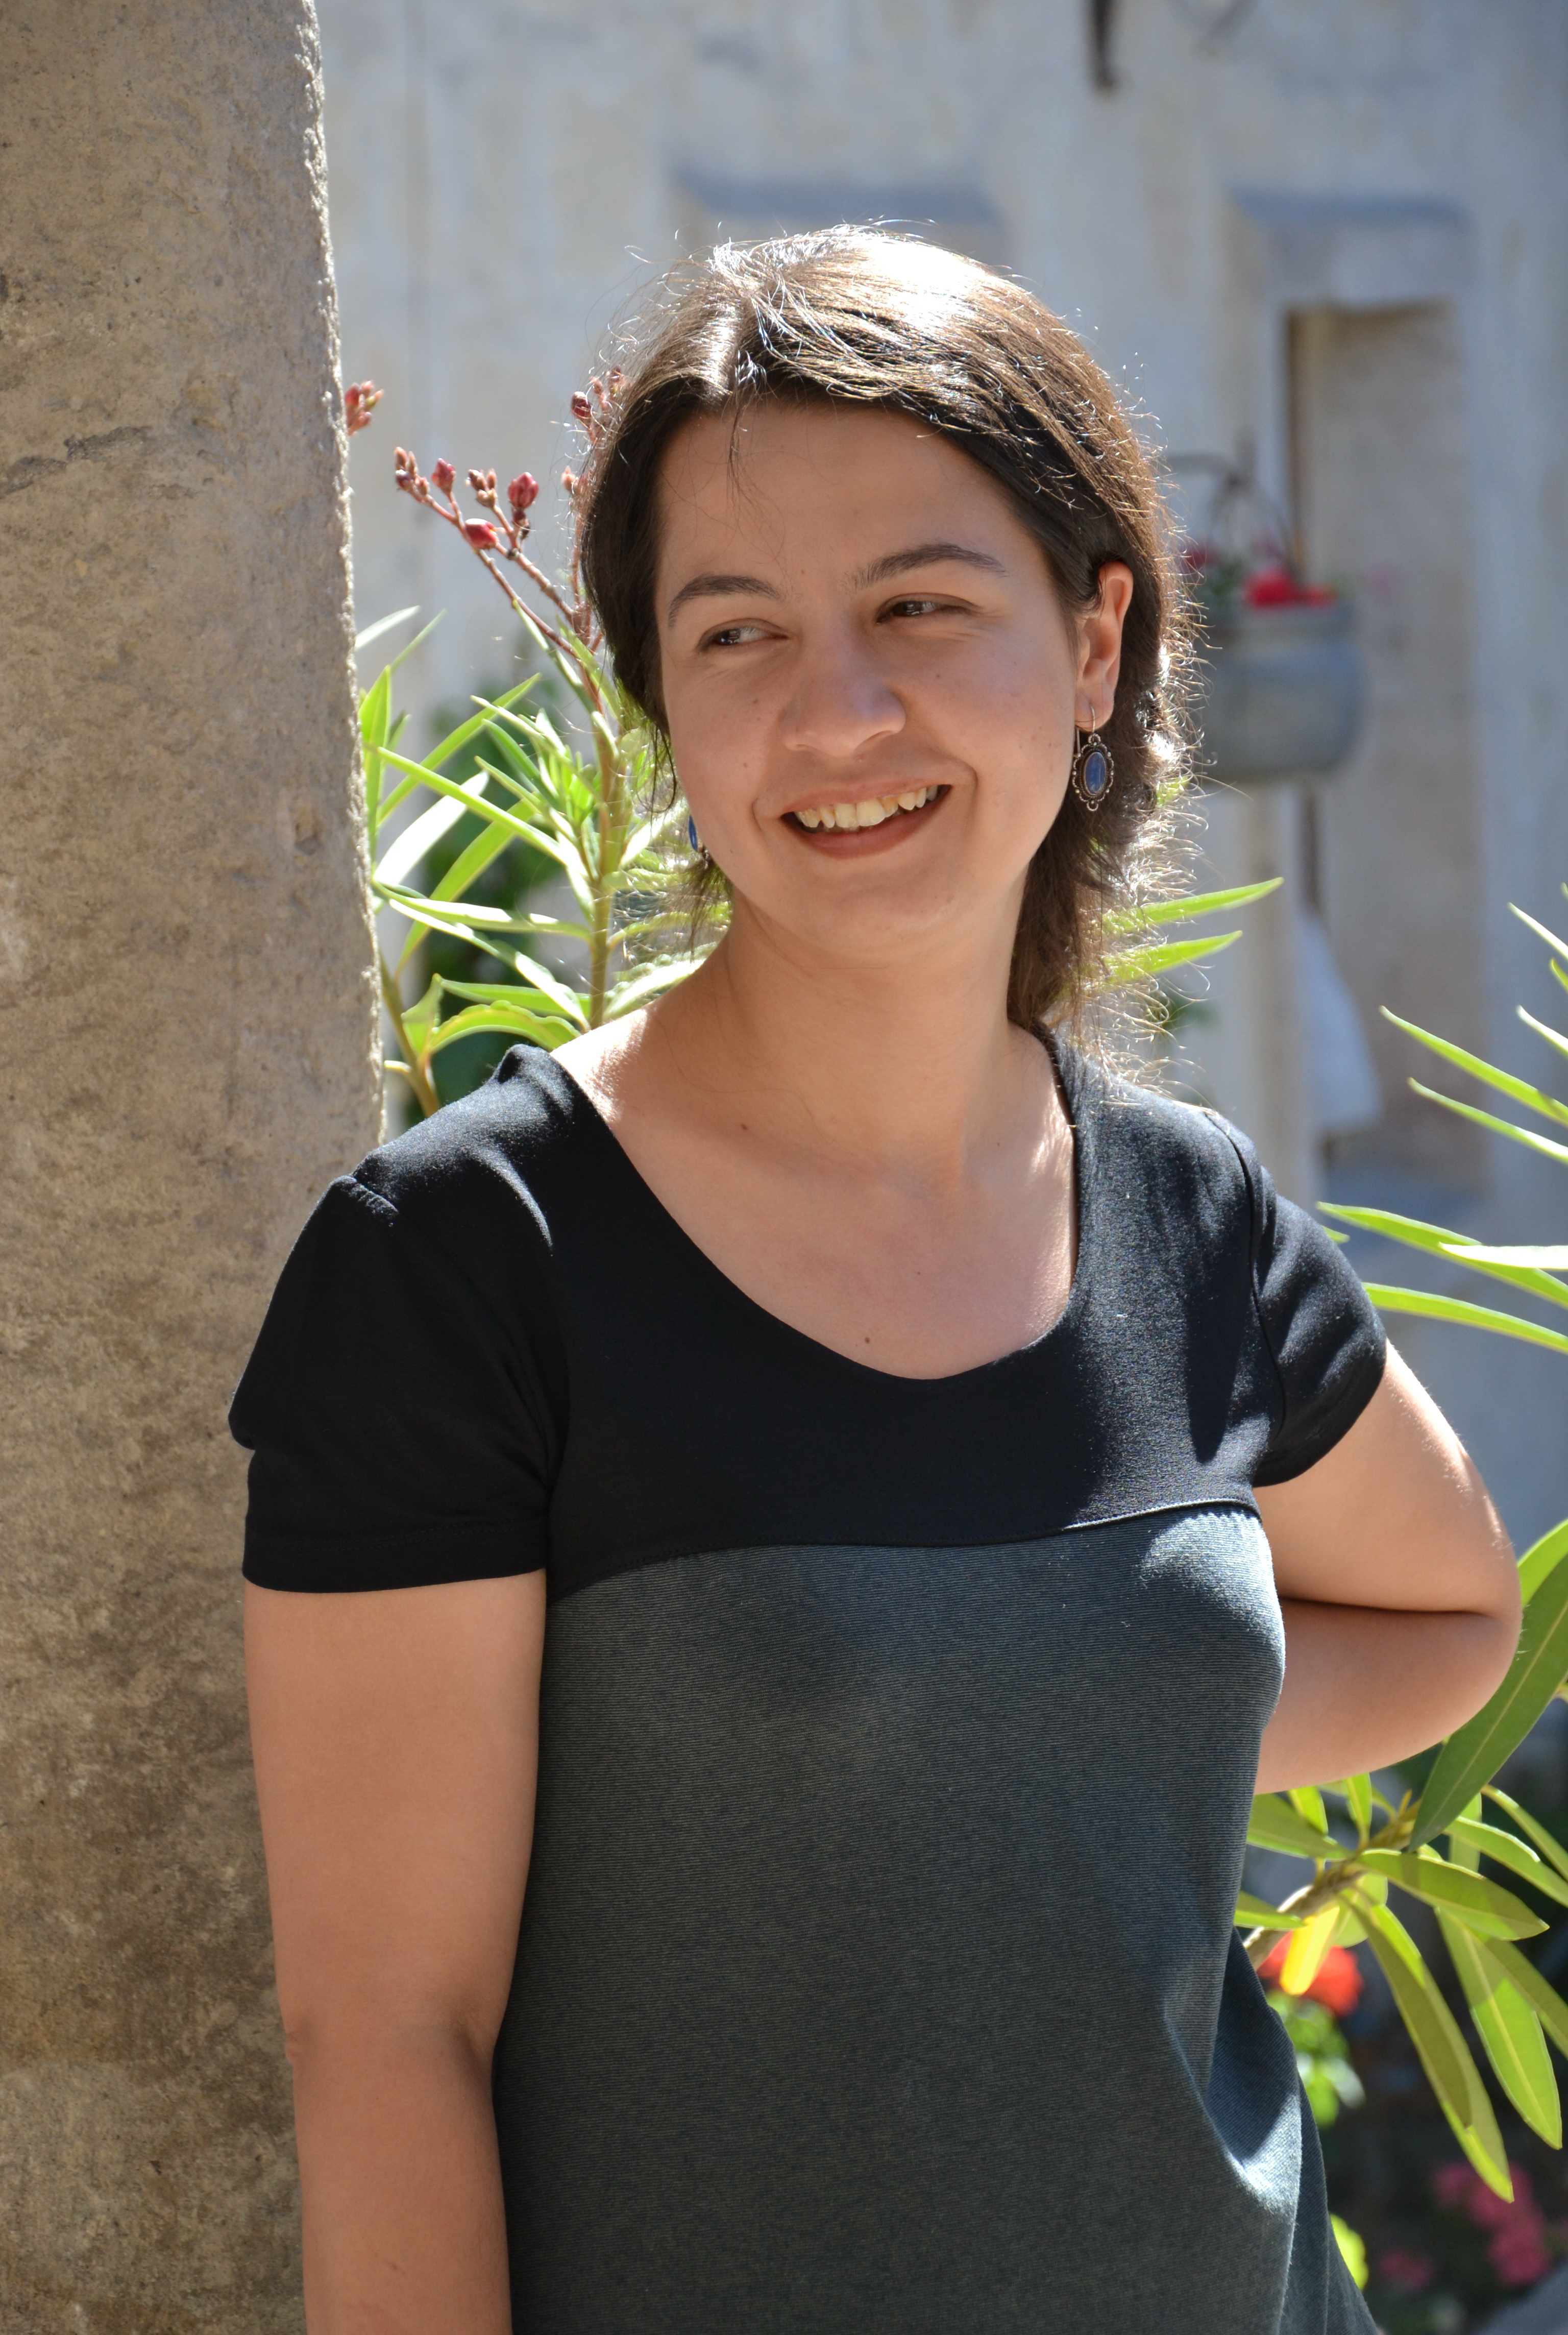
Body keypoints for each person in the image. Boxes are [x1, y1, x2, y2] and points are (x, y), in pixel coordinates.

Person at [234, 230, 1520, 2335]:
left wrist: (1082, 1730)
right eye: (735, 632)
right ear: (662, 703)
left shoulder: (1188, 1219)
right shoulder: (468, 1267)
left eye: (921, 605)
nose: (834, 714)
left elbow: (1459, 1610)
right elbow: (388, 2045)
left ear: (1096, 643)